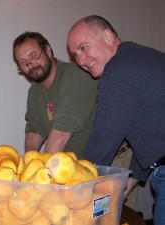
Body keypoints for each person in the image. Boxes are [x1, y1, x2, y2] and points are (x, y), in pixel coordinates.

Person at [67, 15, 165, 225]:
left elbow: (103, 141)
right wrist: (127, 185)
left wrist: (75, 194)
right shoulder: (136, 59)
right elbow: (152, 134)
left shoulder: (118, 72)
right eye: (75, 54)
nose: (81, 60)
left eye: (84, 48)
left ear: (109, 37)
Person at [12, 32, 97, 158]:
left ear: (48, 50)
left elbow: (61, 133)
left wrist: (41, 172)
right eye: (23, 62)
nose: (30, 64)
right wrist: (29, 161)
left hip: (112, 163)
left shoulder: (75, 77)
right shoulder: (35, 90)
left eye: (33, 55)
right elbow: (35, 128)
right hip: (77, 168)